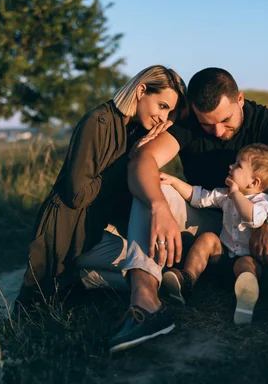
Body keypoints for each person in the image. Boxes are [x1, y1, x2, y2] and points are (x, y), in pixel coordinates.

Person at [110, 67, 268, 353]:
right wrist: (159, 206)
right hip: (210, 224)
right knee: (156, 187)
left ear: (240, 100)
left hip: (263, 228)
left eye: (225, 120)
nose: (218, 131)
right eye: (208, 124)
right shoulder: (188, 125)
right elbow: (142, 162)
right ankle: (146, 305)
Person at [15, 65, 188, 307]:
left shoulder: (136, 130)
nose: (163, 117)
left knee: (151, 260)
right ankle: (78, 274)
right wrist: (129, 160)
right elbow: (77, 195)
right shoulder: (97, 122)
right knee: (144, 264)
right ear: (141, 91)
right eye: (162, 106)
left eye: (169, 113)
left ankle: (85, 278)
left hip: (100, 227)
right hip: (72, 232)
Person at [159, 143, 268, 325]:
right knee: (208, 238)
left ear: (254, 182)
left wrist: (236, 195)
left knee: (244, 263)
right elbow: (199, 197)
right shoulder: (226, 194)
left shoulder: (263, 202)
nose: (230, 166)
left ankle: (245, 295)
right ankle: (187, 280)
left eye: (238, 165)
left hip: (253, 263)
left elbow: (254, 220)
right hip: (224, 258)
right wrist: (174, 181)